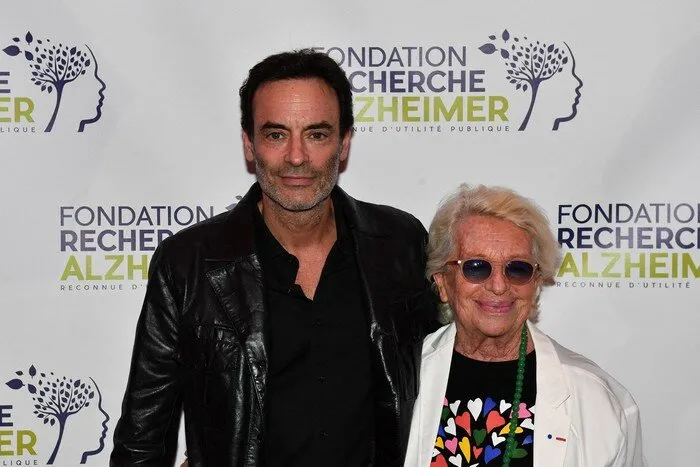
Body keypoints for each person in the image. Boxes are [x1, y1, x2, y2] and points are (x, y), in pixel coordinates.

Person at [110, 49, 437, 467]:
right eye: (276, 135)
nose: (296, 157)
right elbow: (142, 440)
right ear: (250, 145)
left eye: (317, 135)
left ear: (344, 143)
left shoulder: (399, 243)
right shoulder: (188, 264)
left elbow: (446, 372)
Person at [404, 184, 646, 466]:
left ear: (535, 283)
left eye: (517, 269)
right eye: (476, 267)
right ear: (443, 283)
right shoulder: (400, 381)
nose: (498, 286)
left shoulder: (596, 399)